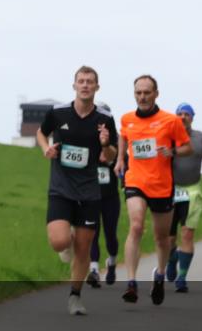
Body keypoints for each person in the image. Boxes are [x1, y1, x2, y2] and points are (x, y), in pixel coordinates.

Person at [36, 67, 117, 315]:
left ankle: (75, 296)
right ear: (74, 86)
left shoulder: (104, 119)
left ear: (97, 87)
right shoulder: (58, 112)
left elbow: (111, 155)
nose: (85, 85)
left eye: (90, 82)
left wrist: (105, 144)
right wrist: (46, 148)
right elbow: (41, 132)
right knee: (59, 242)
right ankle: (66, 243)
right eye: (81, 81)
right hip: (61, 188)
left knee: (83, 249)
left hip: (89, 192)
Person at [115, 75, 192, 306]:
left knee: (162, 238)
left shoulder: (171, 121)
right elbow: (123, 135)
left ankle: (159, 275)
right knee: (136, 225)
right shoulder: (127, 119)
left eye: (147, 92)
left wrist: (173, 152)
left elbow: (187, 147)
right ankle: (131, 282)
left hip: (161, 185)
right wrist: (120, 158)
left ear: (156, 94)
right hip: (135, 181)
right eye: (138, 92)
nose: (142, 97)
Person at [164, 103, 202, 293]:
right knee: (169, 238)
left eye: (187, 114)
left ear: (192, 117)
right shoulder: (167, 136)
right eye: (180, 114)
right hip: (169, 191)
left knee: (187, 233)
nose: (183, 116)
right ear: (175, 117)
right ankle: (171, 261)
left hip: (192, 190)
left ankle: (182, 276)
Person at [88, 102, 122, 288]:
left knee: (110, 235)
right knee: (92, 233)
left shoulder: (116, 141)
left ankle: (112, 262)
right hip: (91, 195)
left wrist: (112, 161)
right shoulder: (89, 139)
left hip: (110, 196)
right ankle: (94, 269)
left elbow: (121, 163)